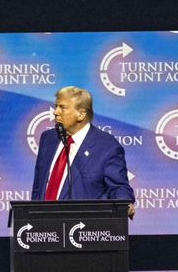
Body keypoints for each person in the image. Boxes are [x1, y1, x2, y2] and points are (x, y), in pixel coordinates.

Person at [30, 86, 135, 217]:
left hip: (84, 227)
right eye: (56, 106)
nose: (55, 112)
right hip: (43, 227)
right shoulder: (48, 139)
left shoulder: (106, 146)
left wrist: (124, 205)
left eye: (62, 107)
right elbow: (39, 186)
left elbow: (119, 187)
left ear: (81, 114)